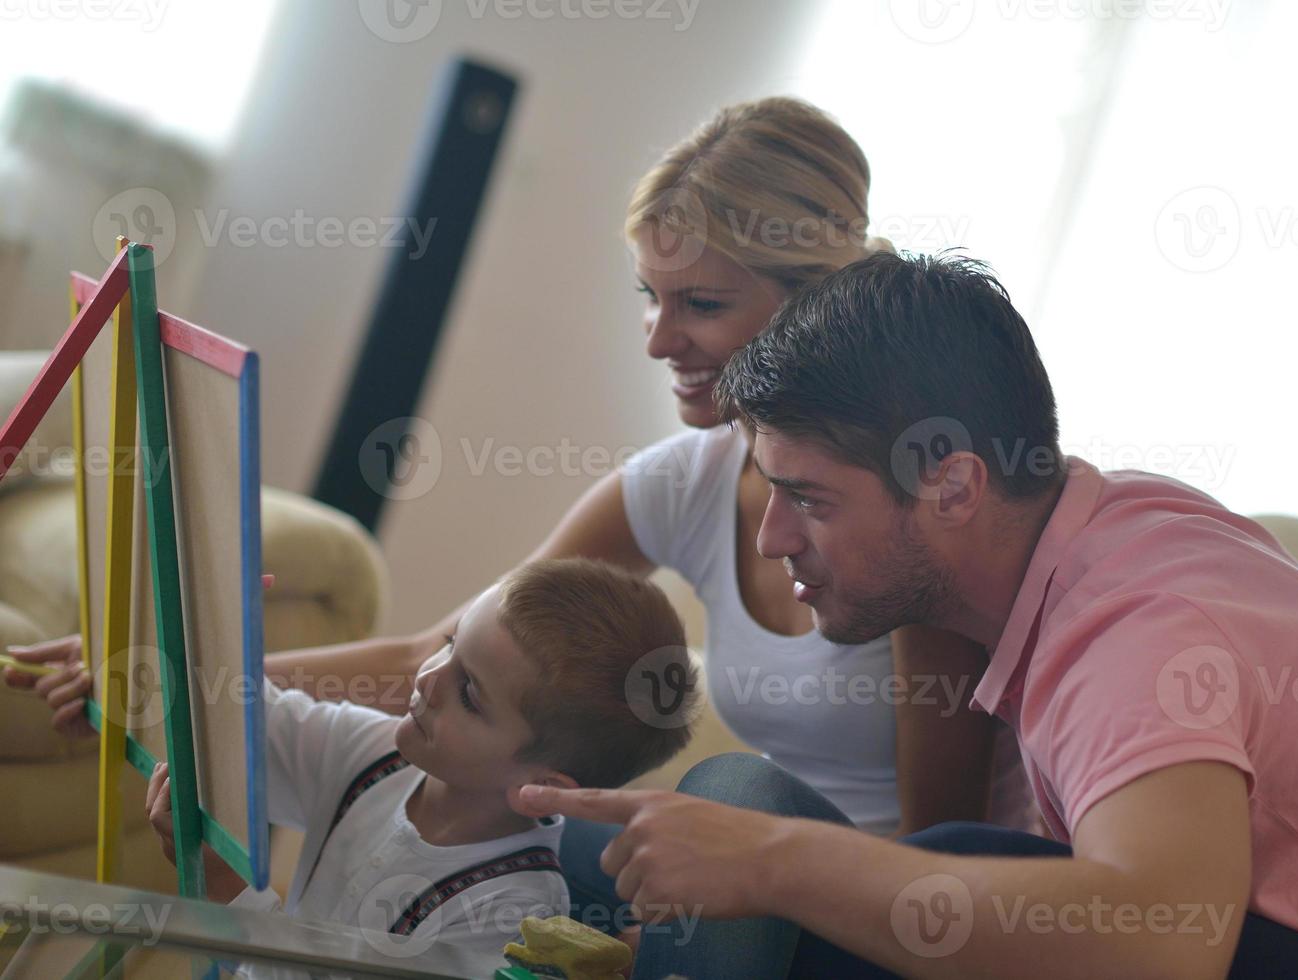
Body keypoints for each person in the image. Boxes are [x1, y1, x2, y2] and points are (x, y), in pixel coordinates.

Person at [4, 97, 1038, 920]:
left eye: (701, 304)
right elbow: (444, 647)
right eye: (647, 295)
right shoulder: (684, 479)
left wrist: (723, 877)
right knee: (484, 809)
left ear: (812, 300)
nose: (655, 338)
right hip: (755, 890)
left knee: (720, 797)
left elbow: (930, 870)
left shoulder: (900, 525)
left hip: (851, 908)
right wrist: (194, 684)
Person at [514, 252, 1298, 979]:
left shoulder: (1134, 621)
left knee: (889, 857)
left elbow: (1164, 938)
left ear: (953, 484)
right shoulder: (1107, 524)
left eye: (809, 499)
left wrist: (774, 864)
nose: (773, 541)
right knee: (678, 841)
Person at [141, 558, 696, 966]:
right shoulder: (375, 754)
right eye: (450, 645)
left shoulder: (507, 913)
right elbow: (243, 720)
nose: (429, 679)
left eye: (470, 693)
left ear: (543, 786)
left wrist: (229, 892)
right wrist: (215, 636)